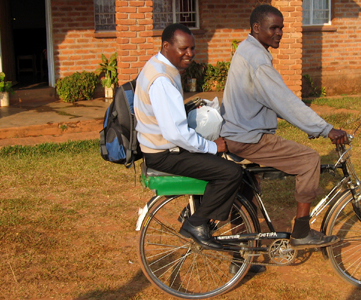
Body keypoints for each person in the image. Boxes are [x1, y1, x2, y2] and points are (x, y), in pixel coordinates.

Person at [220, 5, 349, 249]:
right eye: (273, 28)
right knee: (309, 159)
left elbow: (274, 102)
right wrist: (325, 129)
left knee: (246, 191)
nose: (279, 33)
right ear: (257, 28)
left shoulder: (248, 49)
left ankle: (241, 255)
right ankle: (301, 231)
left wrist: (310, 126)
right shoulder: (257, 59)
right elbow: (285, 101)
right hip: (249, 137)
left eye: (281, 28)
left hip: (237, 132)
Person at [134, 23, 241, 250]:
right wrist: (212, 146)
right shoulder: (162, 80)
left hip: (160, 146)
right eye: (184, 48)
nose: (190, 54)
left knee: (214, 166)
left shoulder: (158, 65)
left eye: (193, 48)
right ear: (166, 46)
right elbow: (175, 132)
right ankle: (196, 222)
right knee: (231, 172)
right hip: (163, 152)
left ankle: (195, 210)